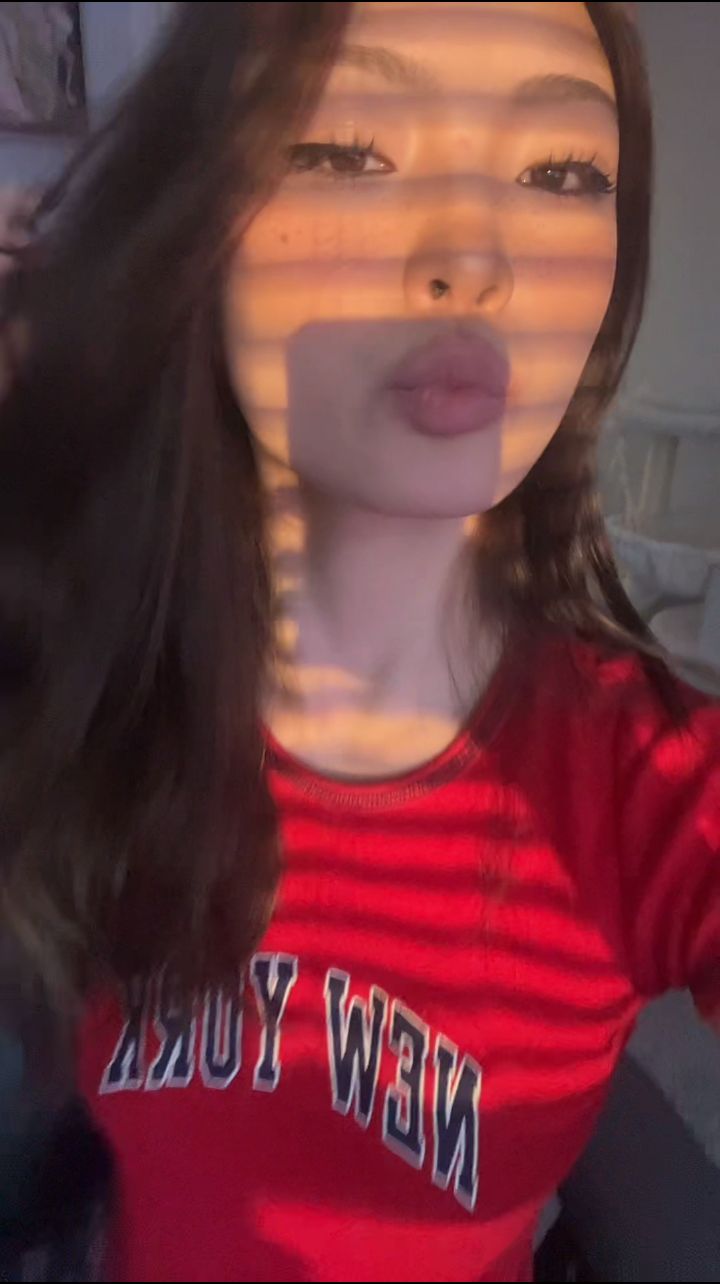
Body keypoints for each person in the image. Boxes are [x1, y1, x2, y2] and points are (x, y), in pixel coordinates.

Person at [0, 2, 717, 1281]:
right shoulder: (80, 670)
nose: (475, 256)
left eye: (563, 173)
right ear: (198, 222)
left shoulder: (654, 783)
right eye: (346, 150)